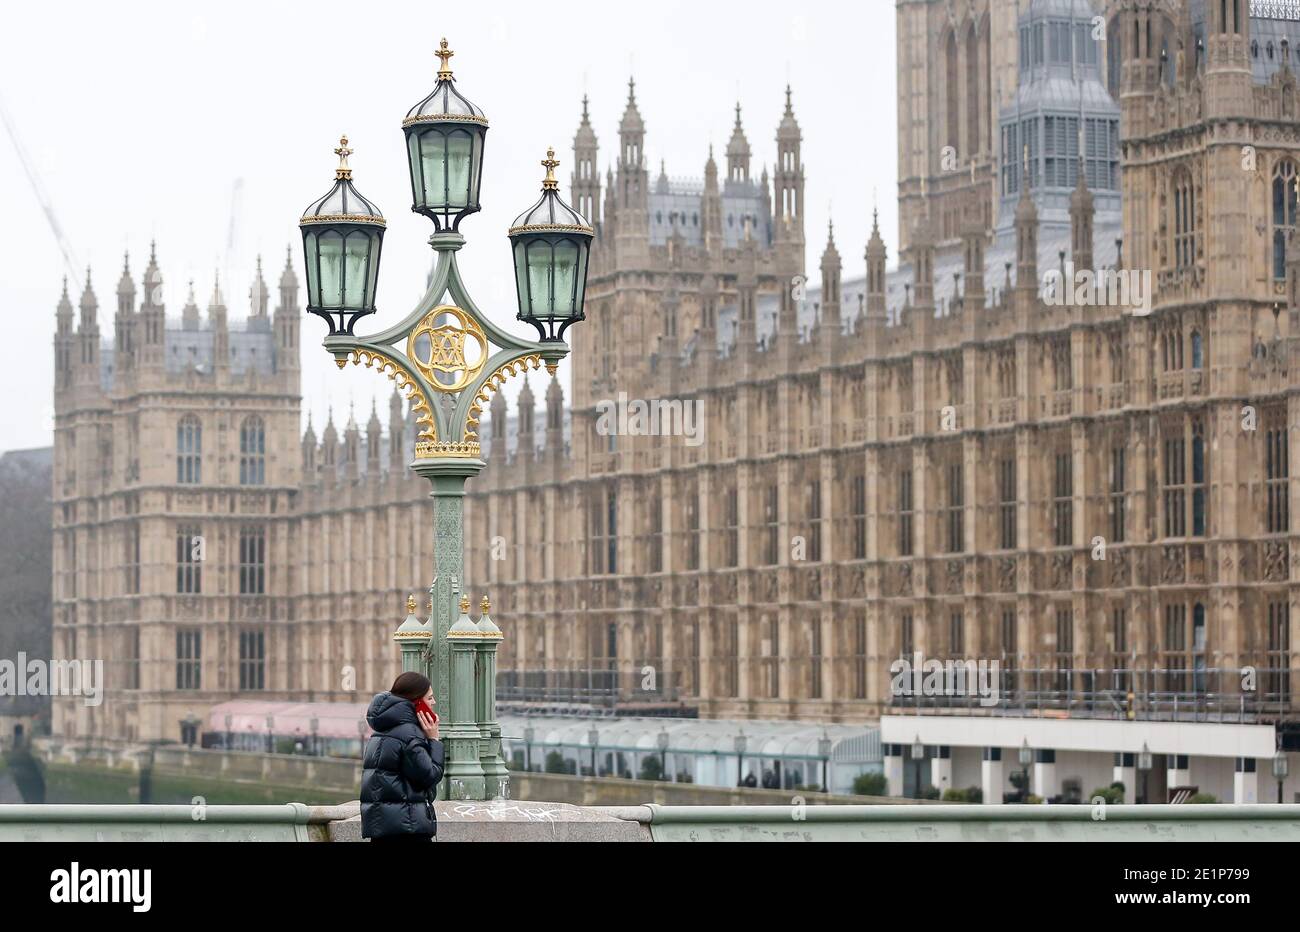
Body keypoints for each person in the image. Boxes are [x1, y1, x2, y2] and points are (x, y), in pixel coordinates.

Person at [360, 671, 444, 843]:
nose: (434, 702)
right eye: (430, 698)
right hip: (407, 828)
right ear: (417, 702)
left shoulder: (381, 730)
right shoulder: (409, 734)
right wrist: (434, 740)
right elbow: (430, 775)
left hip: (384, 827)